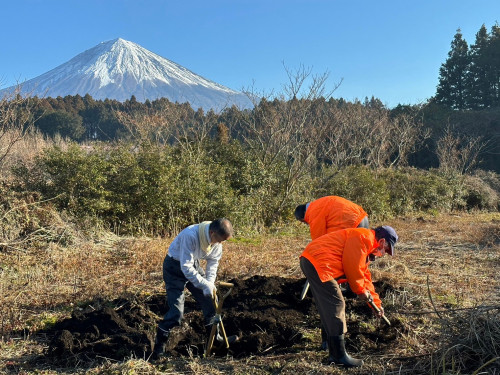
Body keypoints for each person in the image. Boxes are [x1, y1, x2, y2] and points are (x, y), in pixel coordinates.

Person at [299, 225, 398, 368]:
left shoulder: (366, 245)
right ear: (382, 242)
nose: (383, 254)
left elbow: (364, 277)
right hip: (319, 263)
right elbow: (352, 268)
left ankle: (327, 343)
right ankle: (338, 356)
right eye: (386, 250)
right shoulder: (364, 238)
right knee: (336, 304)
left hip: (314, 261)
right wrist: (360, 291)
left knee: (328, 305)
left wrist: (375, 304)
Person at [153, 218, 238, 358]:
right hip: (174, 267)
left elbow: (213, 262)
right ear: (212, 233)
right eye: (219, 240)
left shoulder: (216, 240)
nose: (220, 243)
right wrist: (204, 284)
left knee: (211, 301)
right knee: (176, 313)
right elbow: (185, 267)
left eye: (223, 241)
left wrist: (209, 283)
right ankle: (158, 350)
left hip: (193, 265)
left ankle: (216, 340)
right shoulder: (190, 235)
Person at [295, 196, 370, 349]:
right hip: (362, 219)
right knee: (356, 263)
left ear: (303, 218)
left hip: (352, 224)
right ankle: (353, 289)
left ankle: (327, 340)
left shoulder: (314, 213)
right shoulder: (321, 204)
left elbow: (320, 245)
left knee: (331, 285)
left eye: (304, 223)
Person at [294, 196, 369, 239]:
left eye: (303, 221)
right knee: (363, 250)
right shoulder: (318, 203)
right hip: (362, 216)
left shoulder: (313, 213)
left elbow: (318, 240)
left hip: (353, 223)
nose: (307, 223)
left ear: (303, 215)